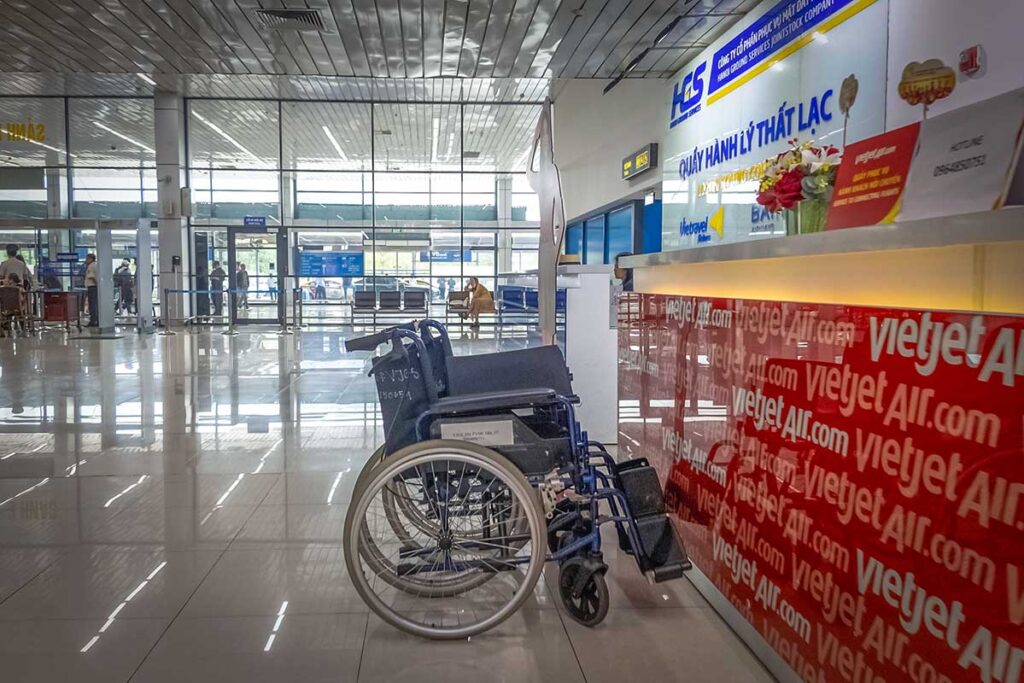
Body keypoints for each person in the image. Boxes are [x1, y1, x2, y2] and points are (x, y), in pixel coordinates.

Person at [84, 253, 99, 327]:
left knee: (92, 305)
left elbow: (92, 277)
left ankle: (93, 321)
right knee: (95, 304)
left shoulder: (91, 266)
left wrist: (97, 284)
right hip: (94, 287)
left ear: (91, 259)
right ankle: (96, 320)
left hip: (92, 287)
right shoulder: (95, 265)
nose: (86, 260)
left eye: (87, 259)